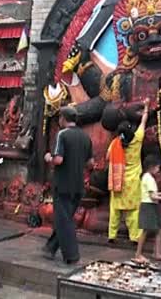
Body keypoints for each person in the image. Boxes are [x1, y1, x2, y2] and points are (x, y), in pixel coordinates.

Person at [44, 106, 94, 264]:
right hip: (78, 185)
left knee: (64, 220)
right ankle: (50, 247)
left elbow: (58, 159)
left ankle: (72, 255)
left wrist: (48, 158)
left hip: (63, 184)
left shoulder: (62, 134)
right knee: (65, 217)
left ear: (63, 119)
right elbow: (91, 163)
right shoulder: (86, 137)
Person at [107, 98, 150, 244]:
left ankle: (112, 235)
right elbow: (144, 121)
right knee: (133, 211)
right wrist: (146, 106)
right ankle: (134, 237)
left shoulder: (115, 144)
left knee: (115, 209)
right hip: (132, 182)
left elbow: (108, 157)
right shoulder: (137, 140)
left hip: (117, 181)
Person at [133, 154, 161, 264]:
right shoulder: (148, 179)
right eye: (157, 167)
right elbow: (152, 196)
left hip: (151, 205)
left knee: (159, 229)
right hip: (148, 206)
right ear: (152, 167)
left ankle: (157, 252)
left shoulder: (147, 177)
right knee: (146, 230)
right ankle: (138, 254)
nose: (158, 169)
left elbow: (153, 193)